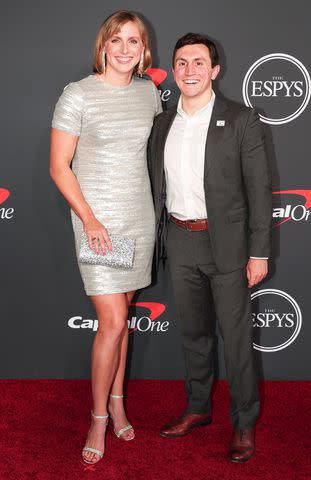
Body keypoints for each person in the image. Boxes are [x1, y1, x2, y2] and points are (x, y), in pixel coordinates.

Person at [148, 33, 271, 462]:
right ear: (174, 70)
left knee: (236, 338)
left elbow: (259, 191)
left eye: (198, 62)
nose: (189, 70)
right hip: (180, 239)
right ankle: (198, 407)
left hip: (229, 245)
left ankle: (243, 423)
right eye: (181, 63)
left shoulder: (241, 119)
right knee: (193, 334)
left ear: (214, 70)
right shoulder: (162, 122)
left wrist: (259, 252)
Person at [50, 10, 162, 464]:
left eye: (133, 42)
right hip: (96, 220)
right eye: (116, 40)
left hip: (137, 216)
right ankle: (98, 416)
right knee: (112, 322)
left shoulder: (148, 93)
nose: (124, 49)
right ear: (103, 46)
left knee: (124, 318)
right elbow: (59, 167)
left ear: (143, 51)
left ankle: (118, 403)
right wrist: (91, 220)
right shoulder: (77, 94)